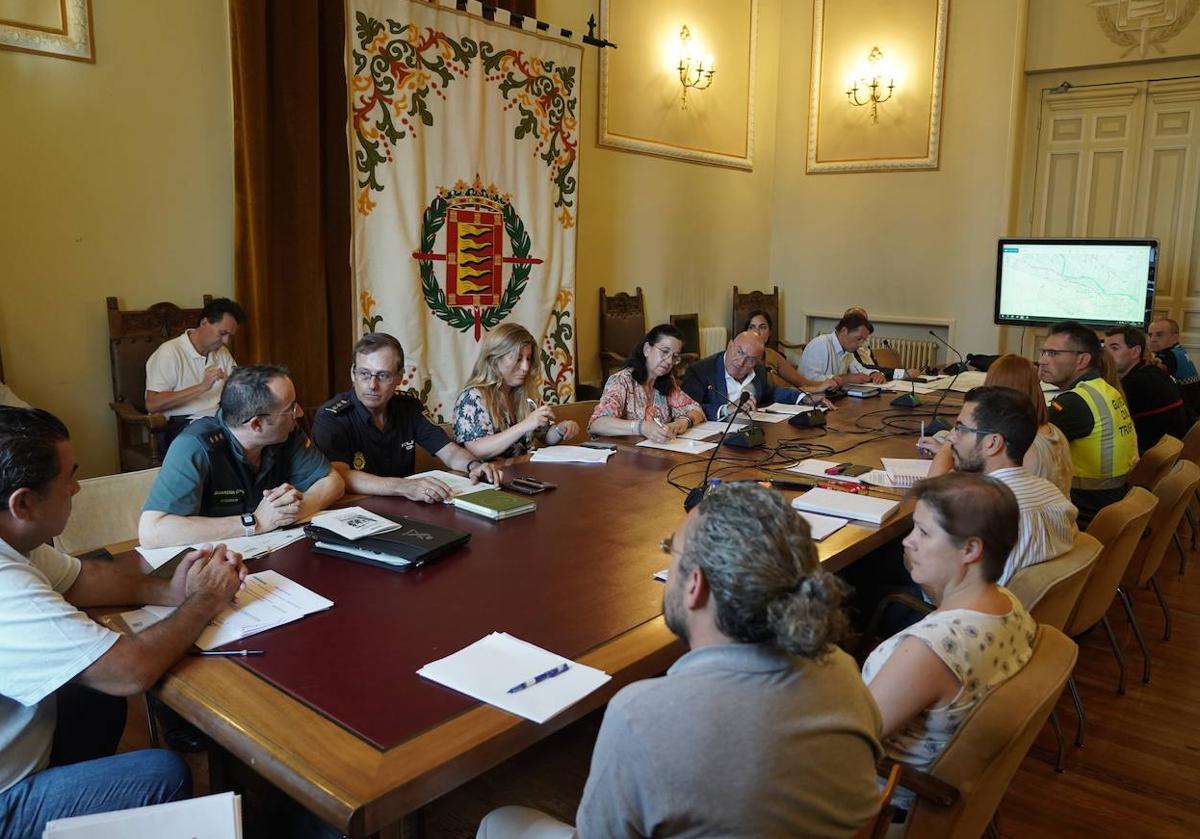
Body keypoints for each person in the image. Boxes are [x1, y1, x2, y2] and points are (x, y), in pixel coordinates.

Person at [477, 483, 883, 838]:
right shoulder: (841, 671)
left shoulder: (639, 715)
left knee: (501, 820)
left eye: (672, 550)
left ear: (695, 585)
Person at [0, 406, 247, 837]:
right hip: (5, 797)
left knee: (93, 697)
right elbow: (128, 672)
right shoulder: (5, 585)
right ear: (22, 502)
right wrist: (207, 598)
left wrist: (170, 592)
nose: (77, 487)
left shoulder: (15, 534)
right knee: (161, 774)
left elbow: (79, 579)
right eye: (68, 479)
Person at [861, 472, 1038, 819]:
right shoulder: (1007, 603)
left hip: (881, 804)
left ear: (971, 549)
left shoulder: (931, 651)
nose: (907, 542)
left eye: (924, 532)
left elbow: (847, 743)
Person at [139, 365, 344, 548]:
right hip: (212, 564)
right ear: (256, 424)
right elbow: (152, 531)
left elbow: (333, 482)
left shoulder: (287, 433)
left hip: (272, 551)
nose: (299, 413)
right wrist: (255, 522)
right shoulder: (194, 445)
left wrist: (293, 511)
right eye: (290, 408)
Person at [312, 333, 502, 503]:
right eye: (364, 373)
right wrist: (404, 487)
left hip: (405, 505)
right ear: (352, 373)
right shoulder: (332, 417)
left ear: (399, 377)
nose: (372, 384)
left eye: (383, 375)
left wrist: (474, 465)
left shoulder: (407, 408)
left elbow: (449, 451)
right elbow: (341, 475)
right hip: (357, 508)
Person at [924, 387, 1078, 584]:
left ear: (993, 443)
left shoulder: (981, 513)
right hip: (1035, 609)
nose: (951, 437)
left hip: (972, 611)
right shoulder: (1053, 494)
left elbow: (948, 588)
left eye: (961, 429)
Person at [1038, 321, 1138, 525]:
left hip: (1086, 508)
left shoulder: (1075, 403)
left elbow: (1023, 442)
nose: (1042, 361)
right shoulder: (1103, 388)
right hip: (1111, 498)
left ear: (1082, 360)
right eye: (1043, 352)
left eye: (1053, 354)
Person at [452, 323, 579, 460]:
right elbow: (477, 450)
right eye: (518, 359)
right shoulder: (472, 397)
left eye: (528, 359)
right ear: (495, 359)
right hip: (488, 477)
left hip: (521, 473)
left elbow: (545, 435)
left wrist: (561, 429)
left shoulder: (524, 394)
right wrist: (525, 425)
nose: (525, 367)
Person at [144, 297, 246, 447]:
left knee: (266, 433)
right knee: (224, 446)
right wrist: (201, 387)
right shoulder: (169, 352)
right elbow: (152, 404)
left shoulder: (222, 353)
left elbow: (238, 388)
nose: (226, 341)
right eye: (223, 333)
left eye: (229, 336)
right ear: (204, 323)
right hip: (181, 426)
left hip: (219, 420)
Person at [588, 324, 706, 442]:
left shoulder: (666, 382)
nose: (669, 361)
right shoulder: (621, 381)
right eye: (665, 352)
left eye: (675, 357)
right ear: (647, 350)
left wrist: (683, 421)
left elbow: (696, 410)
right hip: (624, 454)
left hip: (656, 453)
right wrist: (641, 427)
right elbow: (597, 424)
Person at [681, 330, 824, 420]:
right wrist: (726, 409)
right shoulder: (701, 371)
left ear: (757, 361)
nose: (741, 362)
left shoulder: (759, 370)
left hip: (750, 432)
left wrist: (803, 398)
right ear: (729, 345)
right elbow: (686, 409)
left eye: (750, 359)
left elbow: (770, 392)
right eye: (739, 352)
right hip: (711, 441)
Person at [1105, 326, 1190, 453]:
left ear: (1135, 352)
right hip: (1170, 451)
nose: (1106, 355)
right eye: (1105, 349)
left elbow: (1105, 422)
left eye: (1114, 348)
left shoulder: (1135, 382)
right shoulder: (1152, 371)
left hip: (1149, 457)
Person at [743, 309, 836, 392]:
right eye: (752, 327)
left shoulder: (772, 355)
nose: (757, 332)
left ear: (770, 332)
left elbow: (802, 382)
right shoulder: (741, 358)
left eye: (762, 327)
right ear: (745, 331)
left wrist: (827, 383)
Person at [799, 312, 887, 386]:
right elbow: (809, 380)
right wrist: (845, 378)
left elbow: (859, 370)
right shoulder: (820, 344)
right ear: (844, 331)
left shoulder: (847, 350)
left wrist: (874, 374)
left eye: (863, 340)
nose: (861, 345)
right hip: (808, 401)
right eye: (859, 339)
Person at [1147, 317, 1200, 418]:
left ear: (1175, 337)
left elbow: (1153, 371)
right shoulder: (1179, 351)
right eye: (1150, 335)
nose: (1152, 339)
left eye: (1159, 335)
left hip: (1186, 415)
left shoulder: (1169, 355)